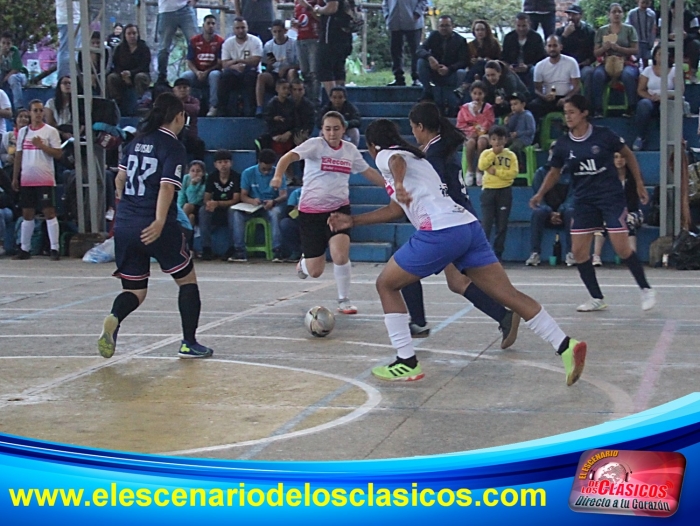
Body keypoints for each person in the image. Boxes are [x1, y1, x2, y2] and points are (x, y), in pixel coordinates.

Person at [328, 119, 587, 385]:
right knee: (509, 295)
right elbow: (395, 210)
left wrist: (400, 183)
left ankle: (406, 362)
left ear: (371, 146)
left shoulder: (388, 155)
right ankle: (565, 345)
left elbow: (394, 161)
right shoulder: (420, 159)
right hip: (467, 227)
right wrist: (353, 221)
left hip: (440, 232)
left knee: (386, 284)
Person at [98, 92, 213, 360]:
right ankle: (189, 343)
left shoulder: (136, 141)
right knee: (187, 281)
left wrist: (124, 205)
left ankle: (114, 318)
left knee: (134, 290)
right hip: (154, 224)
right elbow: (166, 187)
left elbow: (120, 180)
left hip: (126, 224)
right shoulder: (172, 146)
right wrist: (160, 221)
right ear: (178, 117)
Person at [401, 101, 521, 346]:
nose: (413, 133)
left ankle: (419, 322)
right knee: (458, 282)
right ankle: (504, 315)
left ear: (421, 127)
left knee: (403, 270)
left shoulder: (432, 155)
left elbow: (434, 191)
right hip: (463, 218)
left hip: (449, 224)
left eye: (413, 128)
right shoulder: (444, 148)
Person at [530, 94, 655, 312]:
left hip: (610, 198)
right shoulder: (563, 144)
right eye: (565, 113)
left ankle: (645, 288)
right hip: (584, 200)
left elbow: (629, 155)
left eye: (571, 112)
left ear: (584, 113)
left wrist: (639, 184)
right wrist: (540, 194)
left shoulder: (604, 136)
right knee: (579, 252)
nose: (567, 117)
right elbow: (554, 172)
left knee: (621, 247)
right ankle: (597, 297)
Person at [271, 111, 386, 315]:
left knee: (340, 255)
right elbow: (288, 157)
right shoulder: (315, 145)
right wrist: (278, 176)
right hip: (311, 212)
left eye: (336, 128)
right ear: (322, 130)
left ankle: (344, 299)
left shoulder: (349, 150)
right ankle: (304, 264)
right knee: (316, 271)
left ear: (343, 129)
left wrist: (390, 187)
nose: (332, 133)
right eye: (328, 129)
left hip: (338, 211)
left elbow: (367, 172)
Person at [11, 100, 63, 261]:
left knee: (49, 212)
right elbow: (18, 155)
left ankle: (55, 247)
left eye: (41, 110)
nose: (39, 113)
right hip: (27, 178)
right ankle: (25, 248)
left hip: (45, 177)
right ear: (30, 112)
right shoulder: (24, 132)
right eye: (35, 110)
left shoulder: (51, 132)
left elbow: (58, 154)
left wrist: (41, 146)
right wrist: (15, 177)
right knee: (27, 213)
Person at [234, 148, 288, 262]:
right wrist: (252, 201)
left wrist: (273, 202)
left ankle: (277, 250)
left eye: (269, 169)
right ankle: (239, 250)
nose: (266, 172)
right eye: (264, 169)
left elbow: (283, 195)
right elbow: (243, 195)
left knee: (276, 214)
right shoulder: (248, 173)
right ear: (258, 162)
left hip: (271, 205)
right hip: (253, 205)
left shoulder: (278, 174)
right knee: (236, 214)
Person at [526, 143, 575, 267]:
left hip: (564, 212)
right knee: (538, 213)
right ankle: (535, 253)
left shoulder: (572, 174)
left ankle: (571, 253)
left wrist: (561, 210)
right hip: (546, 212)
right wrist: (549, 211)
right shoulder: (541, 173)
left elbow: (573, 196)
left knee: (571, 212)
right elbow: (538, 196)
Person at [592, 152, 645, 266]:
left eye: (622, 157)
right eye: (616, 157)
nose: (619, 160)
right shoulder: (607, 178)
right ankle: (596, 256)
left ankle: (632, 256)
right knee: (602, 222)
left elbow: (633, 202)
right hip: (612, 211)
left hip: (632, 211)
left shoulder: (634, 177)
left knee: (629, 220)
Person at [478, 125, 518, 260]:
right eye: (494, 139)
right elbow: (482, 166)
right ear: (490, 141)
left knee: (502, 225)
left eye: (500, 139)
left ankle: (498, 253)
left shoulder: (511, 155)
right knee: (486, 224)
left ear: (505, 140)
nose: (497, 143)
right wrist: (493, 154)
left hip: (504, 191)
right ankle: (483, 253)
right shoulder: (486, 154)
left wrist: (497, 172)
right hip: (489, 190)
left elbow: (513, 173)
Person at [416, 15, 469, 115]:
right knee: (421, 62)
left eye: (447, 25)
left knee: (461, 73)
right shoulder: (433, 36)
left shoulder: (460, 40)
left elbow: (464, 61)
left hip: (451, 73)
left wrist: (449, 69)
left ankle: (453, 98)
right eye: (441, 26)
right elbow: (420, 49)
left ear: (452, 26)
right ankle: (427, 91)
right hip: (435, 70)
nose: (444, 28)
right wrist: (429, 57)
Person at [592, 4, 639, 116]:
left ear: (623, 14)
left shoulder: (629, 29)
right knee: (597, 75)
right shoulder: (602, 30)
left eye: (619, 11)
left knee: (628, 75)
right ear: (609, 14)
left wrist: (619, 49)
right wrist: (605, 48)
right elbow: (595, 52)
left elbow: (635, 50)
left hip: (625, 61)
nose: (617, 14)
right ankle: (597, 109)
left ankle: (631, 108)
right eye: (614, 12)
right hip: (606, 62)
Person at [633, 45, 679, 151]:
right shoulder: (648, 70)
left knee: (666, 107)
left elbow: (680, 90)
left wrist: (665, 96)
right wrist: (651, 97)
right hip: (651, 100)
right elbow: (640, 90)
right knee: (643, 104)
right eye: (659, 54)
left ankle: (669, 140)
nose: (662, 57)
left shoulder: (674, 70)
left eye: (665, 54)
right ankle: (641, 137)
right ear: (654, 56)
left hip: (668, 100)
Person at [199, 150, 241, 261]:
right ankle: (206, 248)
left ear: (231, 163)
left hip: (229, 207)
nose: (223, 165)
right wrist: (209, 204)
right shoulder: (212, 177)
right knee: (203, 211)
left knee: (233, 211)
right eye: (220, 162)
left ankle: (233, 248)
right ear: (215, 165)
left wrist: (217, 203)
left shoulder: (236, 177)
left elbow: (236, 199)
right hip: (216, 209)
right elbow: (206, 197)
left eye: (226, 162)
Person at [529, 35, 581, 121]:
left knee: (580, 104)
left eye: (555, 45)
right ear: (545, 48)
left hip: (567, 97)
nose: (552, 49)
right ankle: (537, 131)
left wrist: (566, 98)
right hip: (548, 99)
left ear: (560, 47)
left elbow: (577, 87)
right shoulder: (540, 65)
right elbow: (537, 89)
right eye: (549, 46)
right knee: (533, 105)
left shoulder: (571, 62)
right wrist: (544, 97)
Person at [218, 17, 263, 117]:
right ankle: (221, 109)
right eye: (237, 28)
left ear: (247, 28)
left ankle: (251, 110)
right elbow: (224, 64)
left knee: (250, 75)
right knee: (224, 76)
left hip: (251, 71)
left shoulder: (255, 41)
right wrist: (235, 66)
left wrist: (238, 61)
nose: (240, 30)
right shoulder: (228, 43)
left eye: (243, 27)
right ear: (233, 29)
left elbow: (255, 61)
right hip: (233, 72)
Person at [182, 14, 224, 117]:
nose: (211, 26)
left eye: (213, 23)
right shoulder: (194, 41)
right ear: (203, 25)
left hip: (211, 71)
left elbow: (219, 63)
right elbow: (189, 61)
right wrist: (197, 72)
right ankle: (184, 105)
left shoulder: (220, 41)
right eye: (208, 23)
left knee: (215, 75)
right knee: (185, 76)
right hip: (197, 72)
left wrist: (206, 72)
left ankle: (213, 106)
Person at [256, 19, 299, 116]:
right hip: (275, 74)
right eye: (275, 31)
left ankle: (293, 104)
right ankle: (260, 107)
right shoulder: (269, 45)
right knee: (261, 77)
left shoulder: (293, 44)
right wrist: (269, 65)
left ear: (285, 31)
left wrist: (286, 68)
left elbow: (300, 64)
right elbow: (268, 66)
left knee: (291, 72)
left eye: (280, 31)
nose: (277, 34)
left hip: (288, 73)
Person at [456, 81, 494, 186]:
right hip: (469, 135)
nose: (477, 96)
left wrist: (478, 114)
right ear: (471, 94)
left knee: (481, 142)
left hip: (484, 134)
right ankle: (470, 170)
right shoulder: (464, 108)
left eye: (480, 93)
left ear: (484, 94)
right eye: (475, 93)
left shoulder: (488, 108)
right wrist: (472, 132)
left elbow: (488, 124)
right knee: (471, 143)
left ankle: (479, 170)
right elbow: (460, 125)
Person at [315, 0, 356, 97]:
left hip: (331, 37)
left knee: (326, 68)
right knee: (338, 69)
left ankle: (335, 102)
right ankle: (341, 99)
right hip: (345, 35)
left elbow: (332, 8)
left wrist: (318, 9)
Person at [383, 0, 427, 87]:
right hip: (394, 21)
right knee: (395, 51)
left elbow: (423, 1)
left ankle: (417, 78)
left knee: (416, 51)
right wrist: (387, 15)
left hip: (413, 22)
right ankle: (398, 78)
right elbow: (385, 2)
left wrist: (417, 13)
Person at [556, 5, 596, 100]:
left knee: (588, 73)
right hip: (564, 66)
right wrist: (564, 35)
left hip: (582, 65)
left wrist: (587, 61)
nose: (571, 17)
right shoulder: (560, 31)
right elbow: (553, 50)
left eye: (574, 15)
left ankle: (587, 105)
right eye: (569, 14)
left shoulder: (588, 31)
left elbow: (593, 53)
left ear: (580, 16)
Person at [107, 24, 152, 108]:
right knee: (111, 77)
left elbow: (145, 65)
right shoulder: (119, 48)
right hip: (122, 75)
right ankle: (116, 102)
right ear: (124, 35)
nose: (132, 36)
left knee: (140, 76)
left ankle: (141, 102)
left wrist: (131, 73)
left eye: (134, 33)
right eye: (129, 33)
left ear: (138, 34)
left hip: (140, 74)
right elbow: (116, 64)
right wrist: (123, 74)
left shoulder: (144, 48)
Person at [454, 20, 501, 99]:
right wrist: (471, 61)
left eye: (482, 30)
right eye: (477, 30)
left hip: (491, 69)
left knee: (482, 62)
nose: (480, 32)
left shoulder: (494, 43)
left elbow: (499, 59)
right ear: (474, 31)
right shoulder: (470, 45)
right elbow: (465, 60)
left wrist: (486, 60)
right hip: (474, 70)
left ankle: (464, 85)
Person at [501, 13, 546, 94]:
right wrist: (509, 66)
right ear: (515, 25)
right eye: (518, 26)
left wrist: (527, 67)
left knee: (534, 71)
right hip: (513, 69)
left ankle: (532, 97)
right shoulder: (509, 37)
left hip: (530, 68)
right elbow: (504, 57)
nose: (521, 29)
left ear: (529, 24)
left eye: (524, 26)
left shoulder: (536, 37)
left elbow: (541, 58)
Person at [156, 0, 199, 83]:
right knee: (163, 47)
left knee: (195, 44)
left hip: (185, 8)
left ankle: (198, 73)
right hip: (166, 10)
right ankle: (162, 77)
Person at [660, 1, 700, 83]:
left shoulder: (691, 17)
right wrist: (668, 35)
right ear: (671, 9)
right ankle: (665, 72)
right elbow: (658, 31)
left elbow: (696, 33)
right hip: (669, 43)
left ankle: (693, 72)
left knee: (696, 44)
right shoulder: (664, 16)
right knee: (660, 48)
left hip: (686, 44)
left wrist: (687, 35)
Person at [293, 0, 321, 104]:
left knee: (314, 72)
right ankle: (307, 100)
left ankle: (316, 102)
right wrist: (295, 23)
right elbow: (298, 17)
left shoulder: (317, 1)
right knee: (305, 72)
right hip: (301, 38)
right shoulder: (297, 2)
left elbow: (320, 17)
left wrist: (308, 7)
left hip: (314, 38)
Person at [172, 77, 206, 161]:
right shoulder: (169, 100)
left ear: (189, 89)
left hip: (189, 136)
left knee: (199, 144)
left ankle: (198, 167)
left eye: (185, 87)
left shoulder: (194, 101)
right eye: (179, 88)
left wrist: (176, 105)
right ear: (174, 90)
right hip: (173, 135)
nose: (182, 90)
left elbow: (194, 110)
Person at [261, 78, 296, 157]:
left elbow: (295, 121)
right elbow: (267, 120)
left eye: (288, 89)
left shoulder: (291, 104)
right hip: (275, 135)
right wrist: (275, 135)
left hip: (289, 135)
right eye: (284, 88)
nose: (286, 91)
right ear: (277, 89)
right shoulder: (271, 104)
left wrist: (289, 133)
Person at [505, 92, 536, 167]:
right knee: (501, 143)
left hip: (525, 138)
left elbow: (531, 130)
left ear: (523, 104)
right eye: (511, 105)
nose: (513, 107)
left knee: (514, 147)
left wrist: (518, 133)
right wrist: (506, 123)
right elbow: (509, 129)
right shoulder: (513, 116)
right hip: (515, 138)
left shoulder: (527, 115)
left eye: (515, 104)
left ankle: (518, 165)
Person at [0, 32, 27, 111]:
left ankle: (18, 108)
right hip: (4, 74)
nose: (6, 46)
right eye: (3, 43)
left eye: (8, 43)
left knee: (13, 78)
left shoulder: (14, 51)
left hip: (18, 75)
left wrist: (4, 80)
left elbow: (16, 69)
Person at [55, 1, 81, 80]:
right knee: (67, 52)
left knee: (71, 52)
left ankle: (67, 78)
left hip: (72, 18)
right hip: (69, 19)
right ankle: (64, 78)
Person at [627, 0, 657, 68]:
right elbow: (628, 27)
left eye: (647, 3)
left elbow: (653, 28)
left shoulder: (651, 14)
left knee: (646, 61)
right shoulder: (632, 13)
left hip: (647, 40)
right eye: (643, 2)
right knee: (635, 61)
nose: (644, 5)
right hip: (636, 41)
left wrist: (652, 41)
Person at [44, 76, 74, 142]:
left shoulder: (77, 102)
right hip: (57, 132)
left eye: (70, 83)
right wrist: (62, 134)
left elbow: (83, 121)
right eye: (65, 83)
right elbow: (49, 124)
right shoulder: (51, 103)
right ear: (59, 86)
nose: (68, 85)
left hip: (74, 132)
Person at [178, 160, 207, 228]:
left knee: (187, 206)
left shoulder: (206, 180)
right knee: (191, 217)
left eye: (198, 171)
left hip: (201, 206)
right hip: (188, 208)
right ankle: (188, 234)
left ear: (203, 173)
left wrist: (193, 185)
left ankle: (180, 229)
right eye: (192, 171)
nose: (195, 173)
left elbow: (193, 200)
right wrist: (179, 210)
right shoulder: (186, 178)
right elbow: (181, 195)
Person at [280, 186, 302, 261]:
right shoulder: (297, 193)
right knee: (285, 223)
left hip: (316, 220)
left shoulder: (319, 193)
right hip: (298, 220)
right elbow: (288, 212)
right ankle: (296, 251)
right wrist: (296, 210)